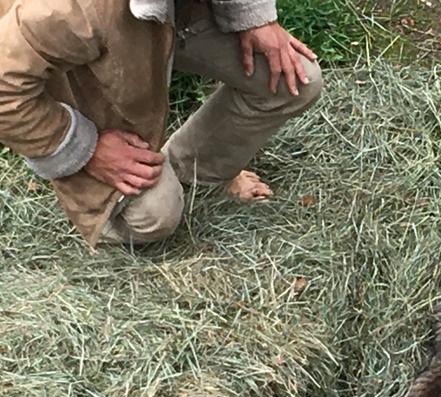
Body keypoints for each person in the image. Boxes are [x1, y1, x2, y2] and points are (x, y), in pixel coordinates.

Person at [0, 0, 323, 247]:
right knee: (153, 215)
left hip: (175, 11)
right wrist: (86, 148)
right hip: (90, 28)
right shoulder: (69, 9)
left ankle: (194, 173)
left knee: (295, 79)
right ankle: (102, 202)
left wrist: (251, 14)